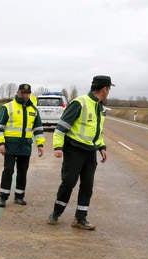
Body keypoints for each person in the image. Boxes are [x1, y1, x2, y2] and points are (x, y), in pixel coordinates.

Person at [48, 75, 113, 230]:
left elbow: (96, 132)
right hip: (74, 150)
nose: (109, 92)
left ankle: (80, 219)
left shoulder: (99, 107)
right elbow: (61, 127)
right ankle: (56, 213)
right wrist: (58, 147)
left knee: (87, 186)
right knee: (69, 183)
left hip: (90, 152)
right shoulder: (80, 103)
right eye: (109, 88)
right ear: (104, 89)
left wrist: (102, 147)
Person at [0, 83, 45, 207]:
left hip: (25, 146)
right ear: (18, 92)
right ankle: (3, 197)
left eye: (27, 93)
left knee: (22, 172)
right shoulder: (7, 107)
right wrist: (0, 143)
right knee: (8, 170)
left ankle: (19, 196)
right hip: (10, 146)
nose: (25, 95)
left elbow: (38, 129)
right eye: (23, 93)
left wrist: (40, 144)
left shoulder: (33, 109)